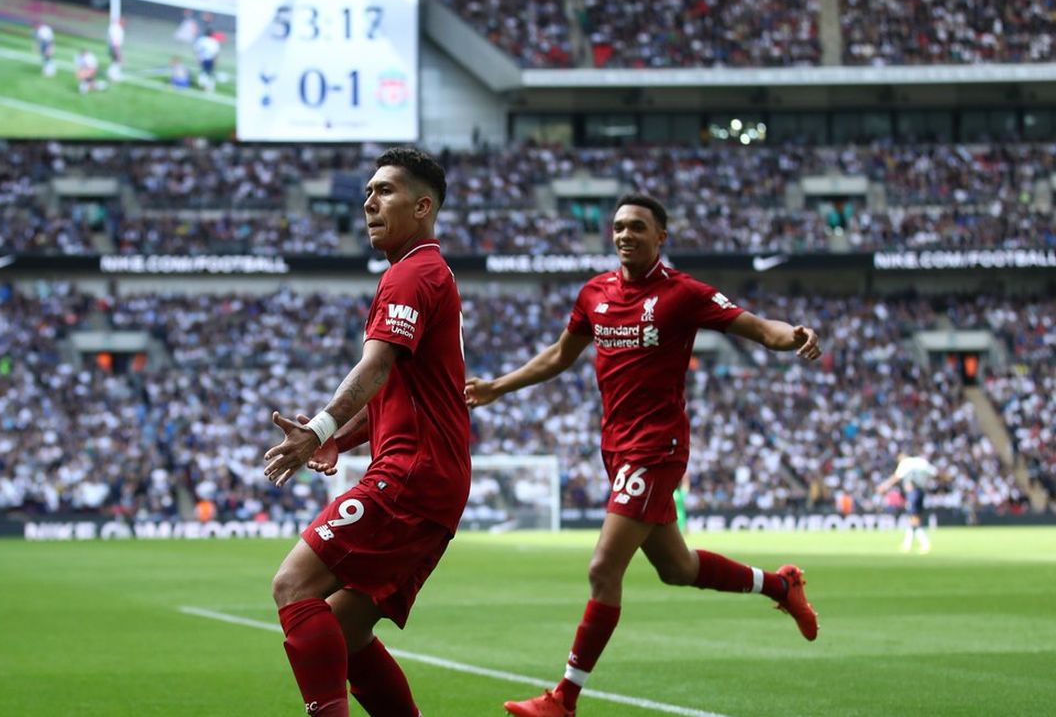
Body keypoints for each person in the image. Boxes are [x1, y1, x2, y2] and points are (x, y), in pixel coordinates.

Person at [464, 193, 823, 717]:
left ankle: (563, 698)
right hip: (615, 448)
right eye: (618, 227)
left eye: (637, 227)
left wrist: (795, 336)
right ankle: (780, 584)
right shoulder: (595, 293)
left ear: (661, 237)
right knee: (677, 567)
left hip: (657, 448)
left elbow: (757, 327)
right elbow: (560, 356)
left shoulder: (683, 294)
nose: (625, 235)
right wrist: (500, 385)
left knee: (603, 568)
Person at [264, 147, 469, 717]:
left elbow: (374, 367)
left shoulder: (412, 274)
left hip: (411, 476)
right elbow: (397, 388)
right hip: (433, 483)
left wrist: (319, 427)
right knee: (342, 635)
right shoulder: (426, 273)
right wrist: (339, 437)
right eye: (367, 192)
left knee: (293, 586)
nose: (368, 202)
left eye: (385, 191)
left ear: (423, 206)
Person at [877, 453, 938, 553]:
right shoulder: (921, 461)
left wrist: (884, 486)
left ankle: (925, 543)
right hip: (921, 491)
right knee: (914, 518)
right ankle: (907, 544)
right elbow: (934, 473)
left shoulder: (905, 463)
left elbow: (896, 477)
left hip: (913, 492)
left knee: (914, 519)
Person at [194, 26, 220, 92]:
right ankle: (207, 86)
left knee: (205, 73)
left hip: (204, 59)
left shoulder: (201, 40)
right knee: (208, 73)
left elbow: (197, 50)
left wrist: (198, 58)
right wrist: (215, 61)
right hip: (209, 60)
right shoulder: (214, 42)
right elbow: (215, 54)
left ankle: (205, 86)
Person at [106, 17, 124, 81]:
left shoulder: (115, 28)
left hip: (113, 46)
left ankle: (112, 73)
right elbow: (114, 40)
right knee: (118, 60)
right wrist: (117, 50)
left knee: (115, 61)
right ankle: (112, 74)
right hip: (114, 47)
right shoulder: (115, 28)